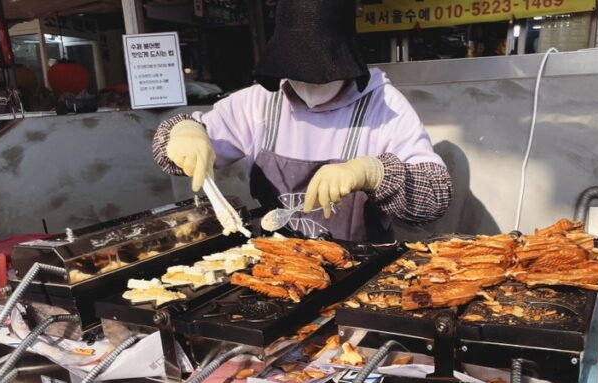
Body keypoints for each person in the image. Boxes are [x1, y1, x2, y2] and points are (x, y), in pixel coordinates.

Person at [153, 0, 452, 242]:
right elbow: (176, 157)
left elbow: (434, 198)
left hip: (362, 275)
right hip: (279, 264)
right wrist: (184, 132)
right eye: (296, 70)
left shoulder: (384, 106)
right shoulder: (258, 104)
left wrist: (373, 172)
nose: (308, 81)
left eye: (321, 71)